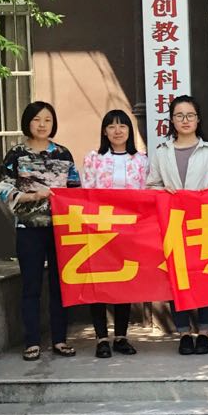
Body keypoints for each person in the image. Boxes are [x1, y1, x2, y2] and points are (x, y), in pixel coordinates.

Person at [0, 101, 82, 361]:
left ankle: (60, 340)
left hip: (61, 230)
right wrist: (33, 196)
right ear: (28, 122)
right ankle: (32, 342)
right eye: (37, 119)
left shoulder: (63, 154)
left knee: (60, 285)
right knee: (31, 285)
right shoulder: (16, 154)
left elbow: (76, 190)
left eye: (47, 120)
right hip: (29, 228)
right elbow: (4, 189)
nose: (42, 124)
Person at [146, 95, 208, 356]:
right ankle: (183, 333)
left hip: (205, 223)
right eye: (179, 115)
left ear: (198, 119)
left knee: (207, 277)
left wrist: (203, 198)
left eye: (190, 115)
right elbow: (151, 185)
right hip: (173, 224)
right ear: (171, 120)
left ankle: (204, 332)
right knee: (176, 277)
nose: (185, 120)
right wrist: (164, 192)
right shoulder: (162, 152)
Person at [81, 109, 150, 358]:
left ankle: (121, 336)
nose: (117, 131)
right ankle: (101, 337)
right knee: (98, 284)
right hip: (99, 230)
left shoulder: (141, 160)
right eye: (111, 126)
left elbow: (147, 194)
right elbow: (86, 192)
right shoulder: (93, 158)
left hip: (129, 231)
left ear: (130, 131)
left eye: (122, 126)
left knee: (123, 281)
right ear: (104, 131)